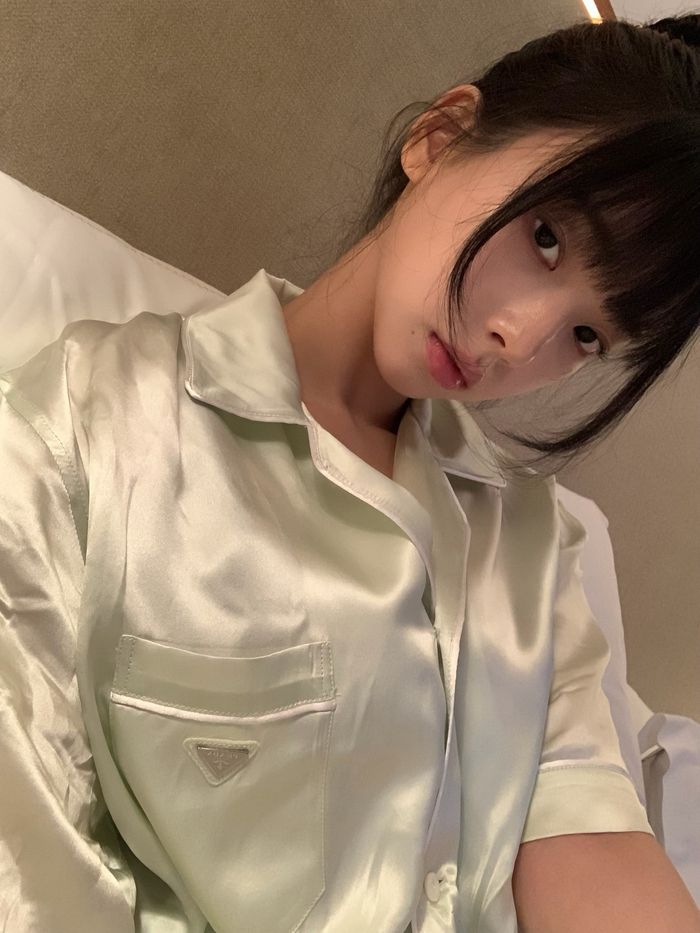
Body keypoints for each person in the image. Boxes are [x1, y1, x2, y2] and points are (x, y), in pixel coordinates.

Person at [1, 13, 700, 933]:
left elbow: (590, 829)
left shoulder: (532, 539)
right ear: (438, 138)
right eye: (545, 237)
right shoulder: (86, 426)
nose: (518, 338)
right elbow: (31, 856)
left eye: (586, 335)